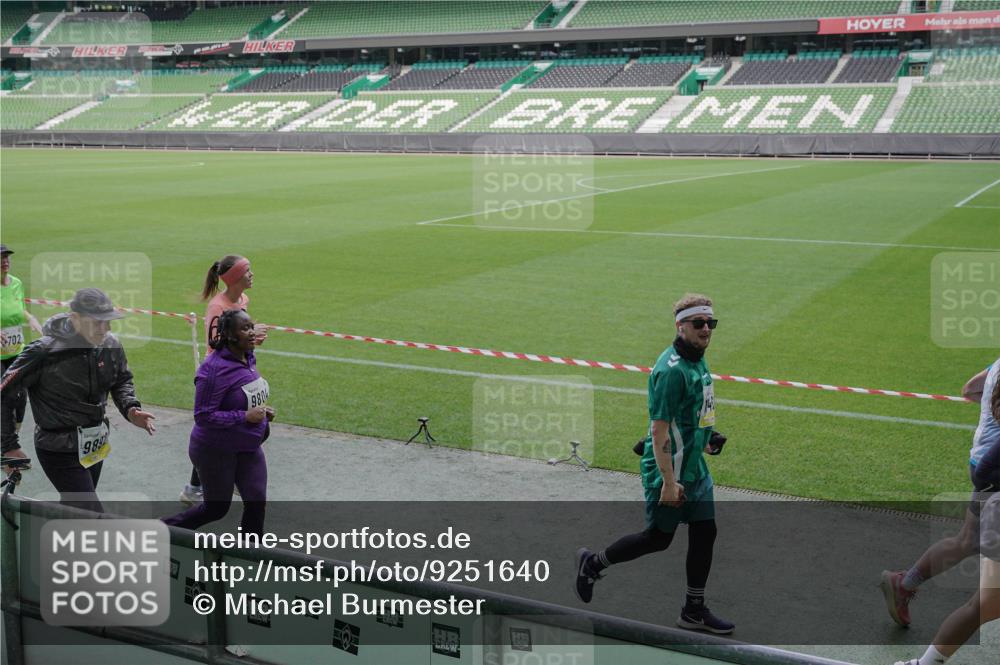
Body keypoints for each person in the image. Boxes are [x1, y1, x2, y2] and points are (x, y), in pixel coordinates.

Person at [574, 293, 734, 634]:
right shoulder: (671, 371)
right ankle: (593, 563)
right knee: (658, 539)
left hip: (693, 465)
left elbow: (689, 413)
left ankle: (693, 609)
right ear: (681, 326)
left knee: (706, 531)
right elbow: (659, 428)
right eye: (699, 323)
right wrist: (668, 481)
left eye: (711, 323)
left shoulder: (697, 358)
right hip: (670, 469)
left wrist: (708, 437)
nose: (707, 329)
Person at [0, 288, 156, 511]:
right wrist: (8, 446)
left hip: (95, 445)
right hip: (57, 449)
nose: (106, 328)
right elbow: (4, 393)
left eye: (108, 321)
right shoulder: (43, 352)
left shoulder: (110, 345)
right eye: (97, 322)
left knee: (76, 509)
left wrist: (131, 408)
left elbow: (121, 380)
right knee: (91, 513)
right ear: (75, 319)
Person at [881, 357, 1000, 628]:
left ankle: (904, 583)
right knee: (971, 542)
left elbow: (970, 389)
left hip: (981, 459)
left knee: (967, 540)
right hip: (994, 469)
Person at [164, 309, 274, 535]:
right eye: (245, 328)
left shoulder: (248, 356)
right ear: (229, 335)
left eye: (251, 326)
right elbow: (203, 416)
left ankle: (249, 557)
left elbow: (242, 394)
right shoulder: (213, 370)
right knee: (216, 508)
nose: (252, 332)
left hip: (248, 447)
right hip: (215, 451)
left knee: (256, 502)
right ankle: (162, 530)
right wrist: (244, 416)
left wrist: (260, 410)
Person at [181, 254, 267, 505]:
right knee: (221, 427)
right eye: (247, 271)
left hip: (241, 367)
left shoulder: (243, 299)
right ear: (235, 277)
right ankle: (197, 486)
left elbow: (238, 335)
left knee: (255, 426)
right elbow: (214, 343)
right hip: (222, 376)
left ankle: (227, 476)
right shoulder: (217, 307)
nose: (252, 275)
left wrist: (252, 339)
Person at [1, 244, 43, 475]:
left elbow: (19, 308)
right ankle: (8, 448)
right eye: (1, 258)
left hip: (16, 351)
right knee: (4, 395)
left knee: (21, 397)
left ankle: (8, 443)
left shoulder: (15, 283)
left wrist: (30, 318)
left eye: (7, 257)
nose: (5, 261)